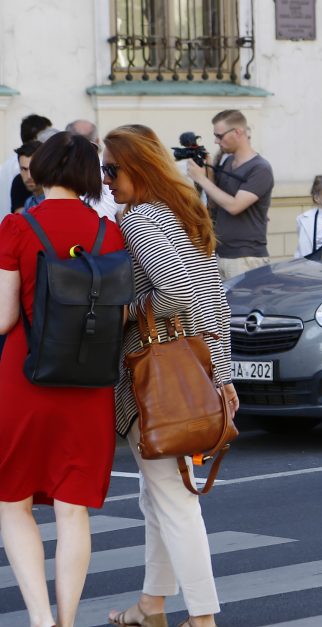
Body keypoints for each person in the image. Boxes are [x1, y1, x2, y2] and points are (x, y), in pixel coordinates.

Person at [102, 125, 238, 627]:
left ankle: (202, 617)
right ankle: (151, 606)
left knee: (174, 499)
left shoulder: (138, 219)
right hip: (191, 370)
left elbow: (179, 291)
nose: (106, 180)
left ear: (138, 168)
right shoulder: (182, 213)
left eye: (112, 170)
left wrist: (129, 310)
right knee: (159, 492)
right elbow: (212, 299)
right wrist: (222, 376)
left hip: (154, 380)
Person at [0, 131, 124, 627]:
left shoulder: (16, 226)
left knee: (14, 502)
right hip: (89, 381)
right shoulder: (109, 232)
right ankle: (68, 620)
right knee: (73, 510)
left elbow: (4, 316)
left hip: (26, 377)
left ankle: (40, 621)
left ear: (43, 169)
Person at [186, 109, 274, 281]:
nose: (216, 141)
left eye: (220, 136)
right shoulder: (226, 162)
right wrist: (208, 172)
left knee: (244, 308)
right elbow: (215, 202)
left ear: (238, 132)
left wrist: (202, 179)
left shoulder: (260, 168)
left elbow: (235, 206)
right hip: (220, 254)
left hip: (246, 258)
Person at [66, 119, 125, 222]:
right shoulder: (115, 170)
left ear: (66, 141)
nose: (106, 180)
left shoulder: (57, 172)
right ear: (97, 142)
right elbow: (122, 215)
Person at [2, 114, 52, 215]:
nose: (29, 176)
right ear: (36, 138)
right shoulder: (16, 167)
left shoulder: (9, 163)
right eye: (47, 136)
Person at [14, 140, 44, 212]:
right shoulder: (29, 202)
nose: (29, 176)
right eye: (24, 169)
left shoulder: (57, 201)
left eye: (33, 168)